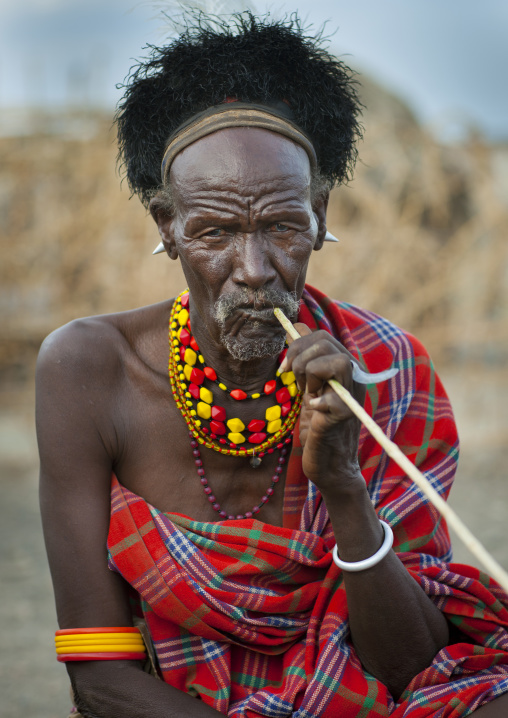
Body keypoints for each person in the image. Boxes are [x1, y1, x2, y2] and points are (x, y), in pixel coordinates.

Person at [36, 13, 508, 718]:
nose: (254, 271)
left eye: (284, 227)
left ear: (319, 215)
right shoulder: (88, 370)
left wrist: (345, 487)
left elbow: (411, 665)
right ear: (167, 229)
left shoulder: (388, 369)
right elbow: (98, 679)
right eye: (215, 232)